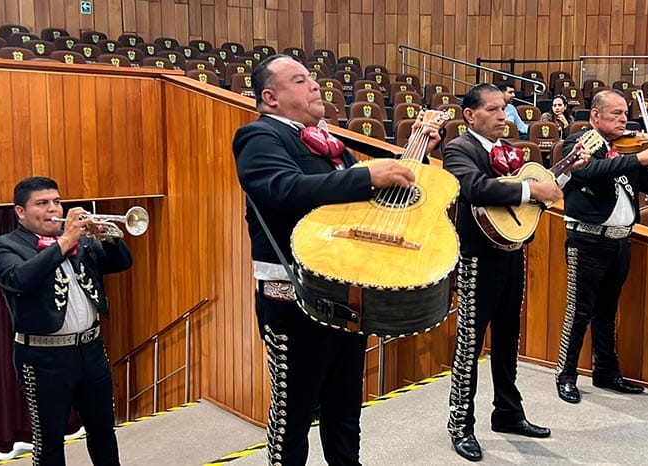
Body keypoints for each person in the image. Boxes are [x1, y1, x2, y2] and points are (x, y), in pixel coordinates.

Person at [232, 54, 440, 465]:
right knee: (292, 420)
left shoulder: (331, 145)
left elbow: (369, 203)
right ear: (270, 97)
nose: (315, 86)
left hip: (345, 294)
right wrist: (366, 175)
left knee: (345, 411)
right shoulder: (259, 137)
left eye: (312, 78)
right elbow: (283, 188)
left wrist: (414, 157)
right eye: (300, 80)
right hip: (292, 300)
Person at [442, 83, 589, 462]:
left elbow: (542, 194)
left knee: (508, 341)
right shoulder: (460, 148)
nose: (502, 117)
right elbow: (475, 189)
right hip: (477, 259)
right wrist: (530, 190)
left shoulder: (511, 152)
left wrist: (568, 172)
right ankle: (460, 422)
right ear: (470, 116)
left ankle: (507, 412)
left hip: (512, 254)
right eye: (492, 110)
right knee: (469, 345)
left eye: (503, 110)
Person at [555, 90, 648, 404]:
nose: (624, 119)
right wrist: (636, 159)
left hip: (620, 241)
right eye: (616, 113)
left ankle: (607, 373)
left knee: (608, 312)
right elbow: (586, 171)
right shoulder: (583, 143)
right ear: (595, 116)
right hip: (587, 239)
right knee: (579, 311)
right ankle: (566, 375)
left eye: (625, 113)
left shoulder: (626, 147)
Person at [0, 176, 133, 466]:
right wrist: (66, 241)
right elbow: (20, 279)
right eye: (42, 203)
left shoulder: (81, 241)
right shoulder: (1, 247)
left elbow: (121, 263)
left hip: (91, 350)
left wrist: (108, 237)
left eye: (56, 201)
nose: (53, 209)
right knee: (49, 441)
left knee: (103, 430)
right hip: (43, 357)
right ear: (20, 212)